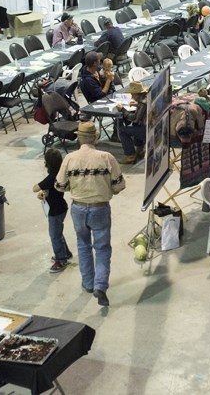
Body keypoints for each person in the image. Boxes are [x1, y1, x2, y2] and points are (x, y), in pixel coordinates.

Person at [55, 121, 125, 306]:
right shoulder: (106, 157)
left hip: (78, 208)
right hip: (100, 207)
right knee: (102, 248)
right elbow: (119, 185)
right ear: (95, 137)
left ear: (79, 138)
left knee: (83, 245)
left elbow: (59, 185)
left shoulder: (69, 158)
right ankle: (100, 286)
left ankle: (88, 283)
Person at [33, 149, 73, 273]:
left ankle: (61, 260)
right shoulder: (61, 173)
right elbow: (50, 190)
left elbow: (35, 188)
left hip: (55, 211)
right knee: (58, 232)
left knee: (55, 235)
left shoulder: (52, 177)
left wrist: (42, 189)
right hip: (61, 207)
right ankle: (65, 253)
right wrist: (44, 193)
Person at [118, 81, 148, 164]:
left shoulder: (143, 103)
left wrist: (122, 110)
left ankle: (130, 156)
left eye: (133, 94)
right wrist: (137, 104)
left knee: (123, 130)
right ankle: (140, 150)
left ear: (137, 94)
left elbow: (134, 118)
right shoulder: (146, 98)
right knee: (136, 125)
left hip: (148, 129)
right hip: (152, 126)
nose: (131, 96)